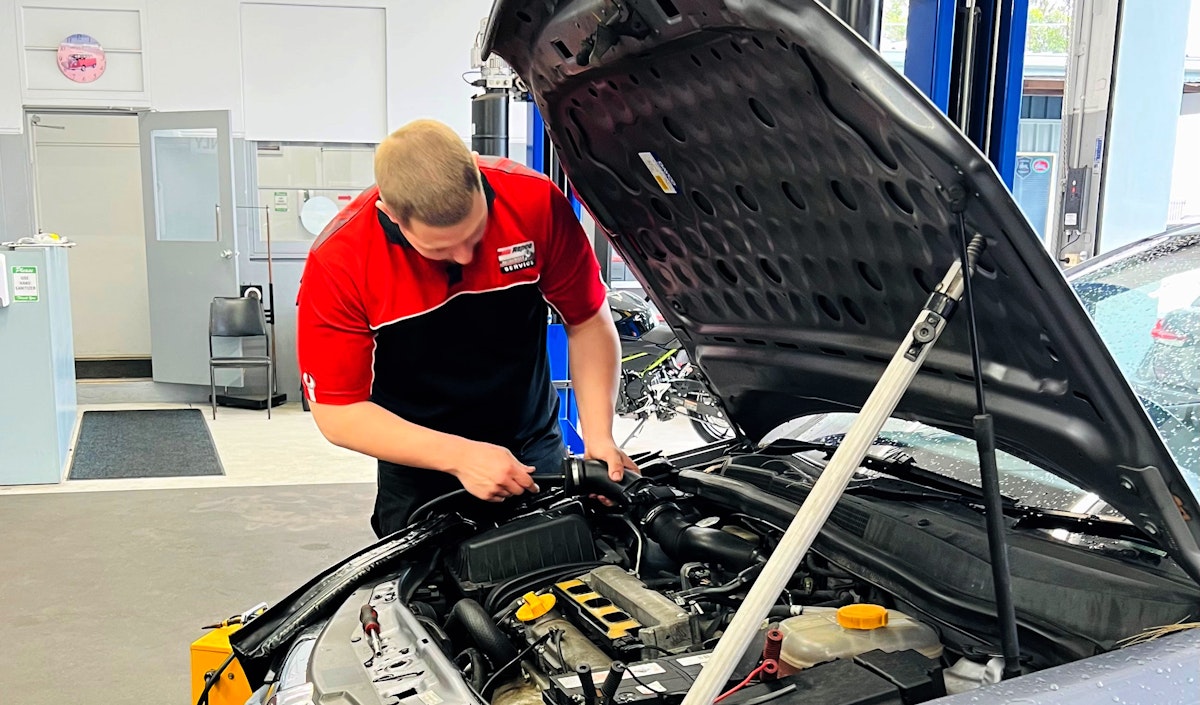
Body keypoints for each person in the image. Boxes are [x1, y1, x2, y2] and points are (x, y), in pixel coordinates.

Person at [296, 119, 636, 538]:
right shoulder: (340, 261)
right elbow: (337, 411)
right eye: (440, 248)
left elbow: (587, 320)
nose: (463, 256)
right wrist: (459, 456)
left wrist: (599, 436)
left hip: (532, 445)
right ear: (391, 214)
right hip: (422, 467)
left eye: (476, 232)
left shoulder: (533, 202)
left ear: (477, 171)